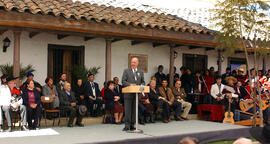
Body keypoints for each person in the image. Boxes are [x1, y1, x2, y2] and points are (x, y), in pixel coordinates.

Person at [122, 57, 145, 131]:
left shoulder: (140, 72)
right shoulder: (126, 71)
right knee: (128, 110)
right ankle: (127, 125)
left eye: (134, 62)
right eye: (132, 62)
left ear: (137, 63)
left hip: (136, 94)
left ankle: (132, 125)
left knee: (134, 110)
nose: (133, 64)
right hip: (128, 94)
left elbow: (143, 82)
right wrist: (130, 85)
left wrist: (142, 85)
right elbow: (123, 81)